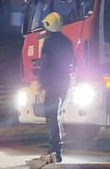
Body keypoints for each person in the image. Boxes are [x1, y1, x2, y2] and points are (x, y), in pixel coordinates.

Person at [38, 12, 75, 163]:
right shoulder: (67, 42)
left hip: (52, 84)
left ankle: (55, 151)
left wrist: (42, 82)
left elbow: (45, 64)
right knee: (55, 116)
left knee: (51, 118)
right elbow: (73, 63)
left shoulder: (49, 42)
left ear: (48, 26)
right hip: (63, 84)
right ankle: (53, 149)